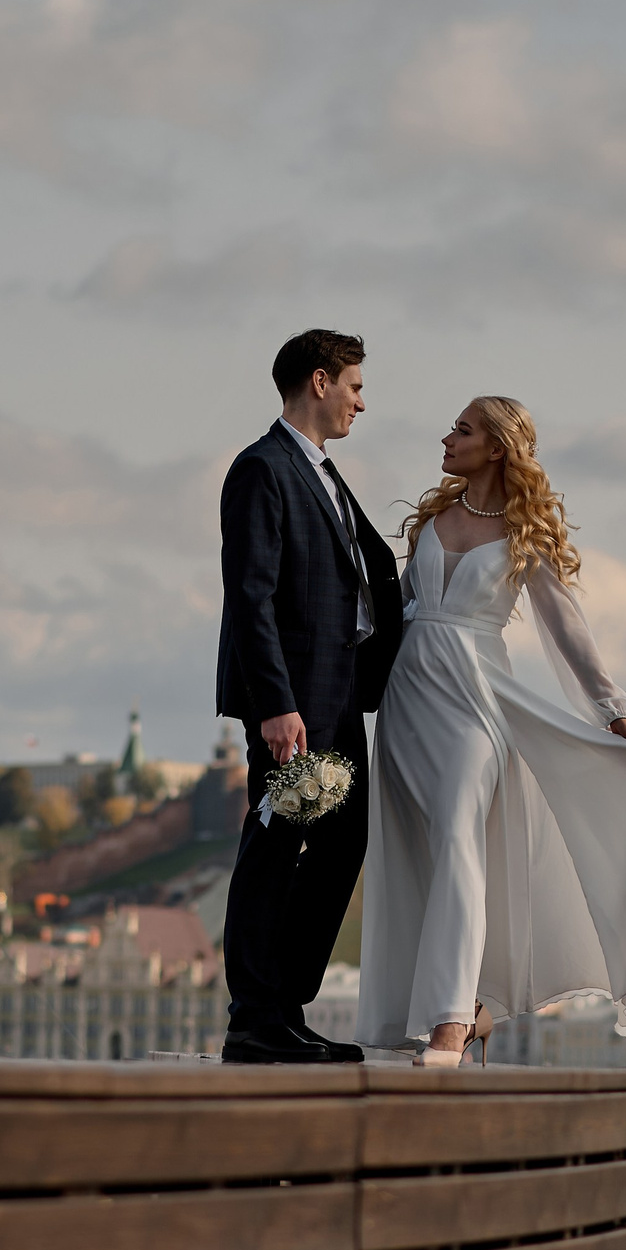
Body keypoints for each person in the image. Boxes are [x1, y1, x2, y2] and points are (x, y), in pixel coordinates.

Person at [358, 396, 626, 1065]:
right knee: (412, 854)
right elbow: (397, 611)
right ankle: (452, 1009)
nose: (447, 438)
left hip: (475, 702)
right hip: (406, 700)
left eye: (462, 430)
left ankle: (449, 1023)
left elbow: (567, 627)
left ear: (496, 447)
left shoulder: (526, 534)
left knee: (459, 843)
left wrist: (611, 707)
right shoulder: (432, 521)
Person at [215, 329, 403, 1064]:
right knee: (273, 849)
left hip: (340, 695)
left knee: (342, 843)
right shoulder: (262, 468)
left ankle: (283, 1007)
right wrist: (274, 703)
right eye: (355, 385)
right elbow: (251, 595)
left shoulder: (322, 472)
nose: (362, 402)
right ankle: (255, 1020)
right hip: (293, 705)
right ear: (319, 382)